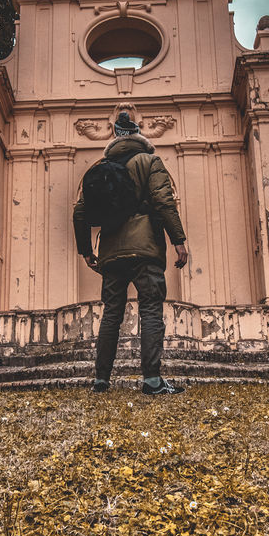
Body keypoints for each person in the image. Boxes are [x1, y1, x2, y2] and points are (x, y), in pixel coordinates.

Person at [73, 111, 190, 394]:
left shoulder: (101, 167)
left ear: (116, 138)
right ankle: (151, 380)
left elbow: (79, 212)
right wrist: (179, 240)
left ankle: (101, 380)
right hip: (146, 249)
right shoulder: (150, 162)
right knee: (150, 308)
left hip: (111, 252)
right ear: (139, 136)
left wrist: (87, 251)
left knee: (112, 313)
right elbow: (163, 201)